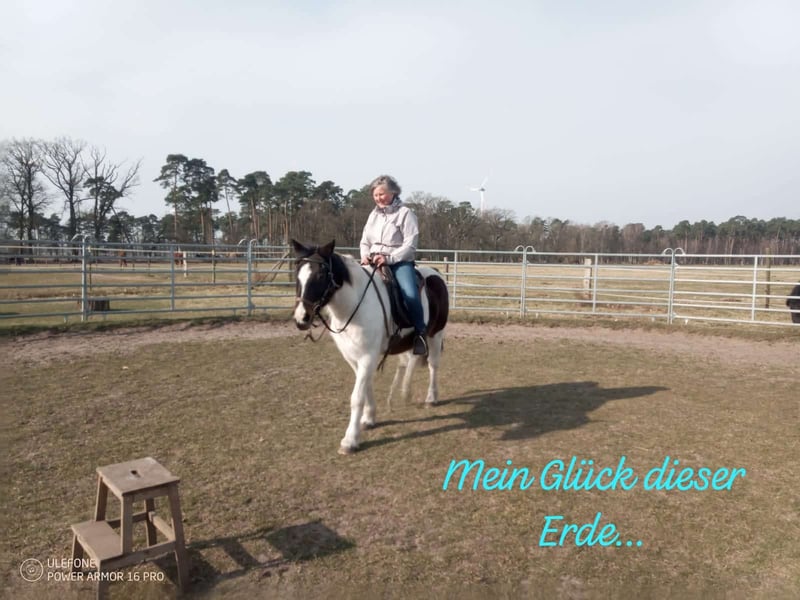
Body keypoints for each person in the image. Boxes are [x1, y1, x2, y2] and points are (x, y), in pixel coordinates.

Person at [360, 175, 428, 355]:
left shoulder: (405, 213)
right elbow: (365, 241)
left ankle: (420, 333)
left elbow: (410, 245)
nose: (378, 198)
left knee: (410, 293)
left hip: (399, 262)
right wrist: (364, 255)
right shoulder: (373, 215)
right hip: (372, 260)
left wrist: (389, 258)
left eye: (382, 194)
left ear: (393, 192)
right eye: (375, 195)